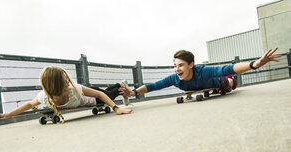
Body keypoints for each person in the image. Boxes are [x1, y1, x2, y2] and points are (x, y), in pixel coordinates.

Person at [120, 48, 282, 97]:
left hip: (219, 82)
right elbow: (154, 86)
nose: (177, 69)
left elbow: (227, 68)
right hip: (200, 88)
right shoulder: (175, 78)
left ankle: (229, 81)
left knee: (229, 82)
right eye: (175, 65)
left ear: (191, 65)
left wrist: (255, 64)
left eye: (181, 65)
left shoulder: (203, 71)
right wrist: (134, 92)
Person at [0, 66, 132, 122]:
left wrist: (116, 108)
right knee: (109, 91)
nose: (69, 84)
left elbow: (99, 94)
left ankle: (121, 86)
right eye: (65, 82)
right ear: (54, 87)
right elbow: (30, 104)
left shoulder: (74, 88)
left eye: (68, 80)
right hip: (85, 94)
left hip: (92, 97)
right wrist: (9, 114)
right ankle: (120, 84)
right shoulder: (45, 96)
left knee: (110, 94)